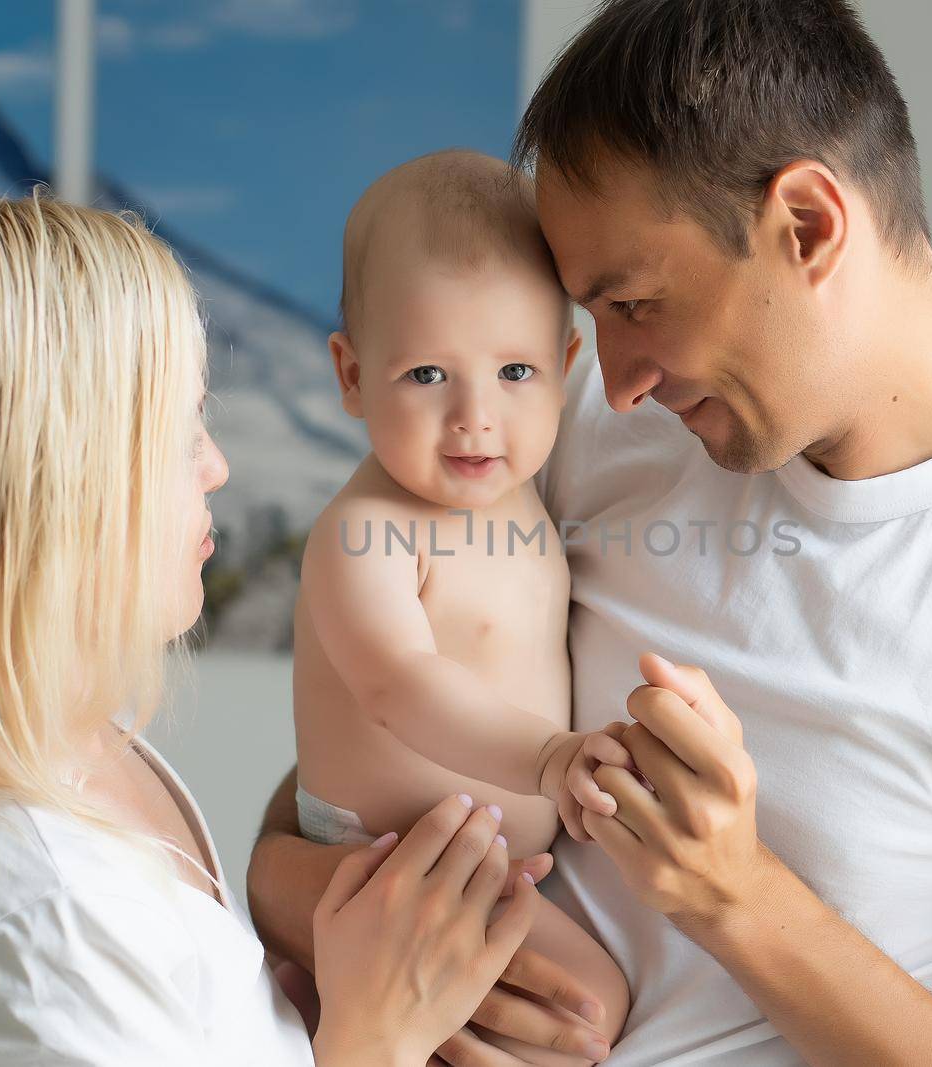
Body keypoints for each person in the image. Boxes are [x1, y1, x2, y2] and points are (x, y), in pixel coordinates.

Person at [247, 2, 932, 1064]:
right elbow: (364, 732)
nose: (620, 374)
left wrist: (740, 897)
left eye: (635, 304)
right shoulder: (589, 424)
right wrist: (300, 890)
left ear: (809, 226)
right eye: (587, 321)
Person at [0, 186, 560, 1066]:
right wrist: (376, 1037)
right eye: (178, 433)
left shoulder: (69, 749)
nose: (216, 465)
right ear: (45, 490)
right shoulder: (36, 931)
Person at [292, 149, 628, 1061]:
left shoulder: (527, 496)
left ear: (565, 366)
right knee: (590, 1004)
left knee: (572, 1018)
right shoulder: (365, 531)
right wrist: (548, 755)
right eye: (429, 376)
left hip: (471, 864)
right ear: (353, 376)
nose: (477, 417)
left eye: (515, 372)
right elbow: (400, 683)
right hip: (388, 859)